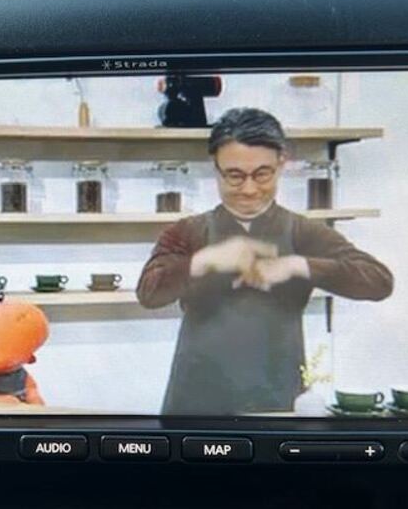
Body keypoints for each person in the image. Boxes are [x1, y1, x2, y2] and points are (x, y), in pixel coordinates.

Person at [136, 107, 394, 415]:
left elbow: (378, 281)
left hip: (277, 399)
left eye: (262, 174)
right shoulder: (189, 231)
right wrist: (204, 260)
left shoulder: (303, 231)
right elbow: (148, 294)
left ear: (281, 163)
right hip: (196, 401)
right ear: (216, 169)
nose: (249, 189)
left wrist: (299, 265)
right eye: (234, 176)